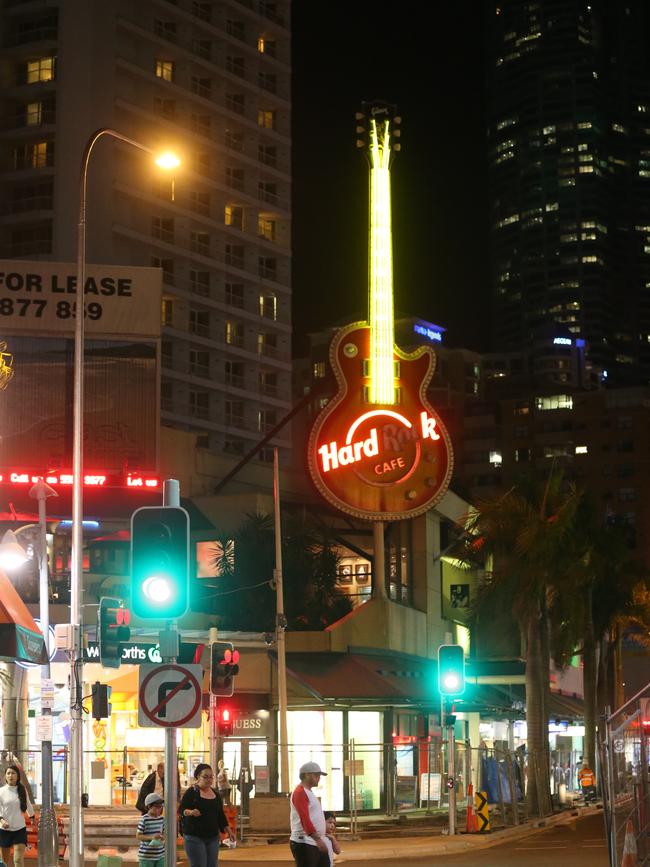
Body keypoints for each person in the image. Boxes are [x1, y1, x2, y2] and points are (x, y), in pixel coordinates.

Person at [179, 763, 235, 867]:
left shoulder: (215, 794)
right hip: (194, 836)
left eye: (211, 777)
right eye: (205, 777)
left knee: (212, 865)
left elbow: (220, 815)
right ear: (198, 777)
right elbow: (181, 809)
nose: (209, 779)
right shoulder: (191, 792)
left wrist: (229, 831)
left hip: (213, 837)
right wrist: (191, 812)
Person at [290, 761, 329, 867]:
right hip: (305, 842)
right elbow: (305, 818)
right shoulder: (300, 792)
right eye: (316, 775)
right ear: (307, 775)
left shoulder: (308, 792)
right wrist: (317, 839)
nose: (319, 778)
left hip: (312, 842)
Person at [0, 764, 34, 867]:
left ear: (17, 775)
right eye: (8, 773)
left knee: (18, 859)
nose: (11, 776)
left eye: (13, 773)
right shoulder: (1, 791)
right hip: (4, 830)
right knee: (5, 862)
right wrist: (2, 821)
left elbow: (27, 803)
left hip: (20, 829)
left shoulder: (22, 789)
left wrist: (32, 817)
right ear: (5, 776)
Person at [136, 793, 165, 867]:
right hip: (146, 856)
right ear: (149, 806)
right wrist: (152, 837)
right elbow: (138, 836)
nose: (159, 809)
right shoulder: (144, 819)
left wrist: (163, 837)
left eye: (161, 807)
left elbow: (164, 833)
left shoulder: (162, 819)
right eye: (156, 807)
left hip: (160, 855)